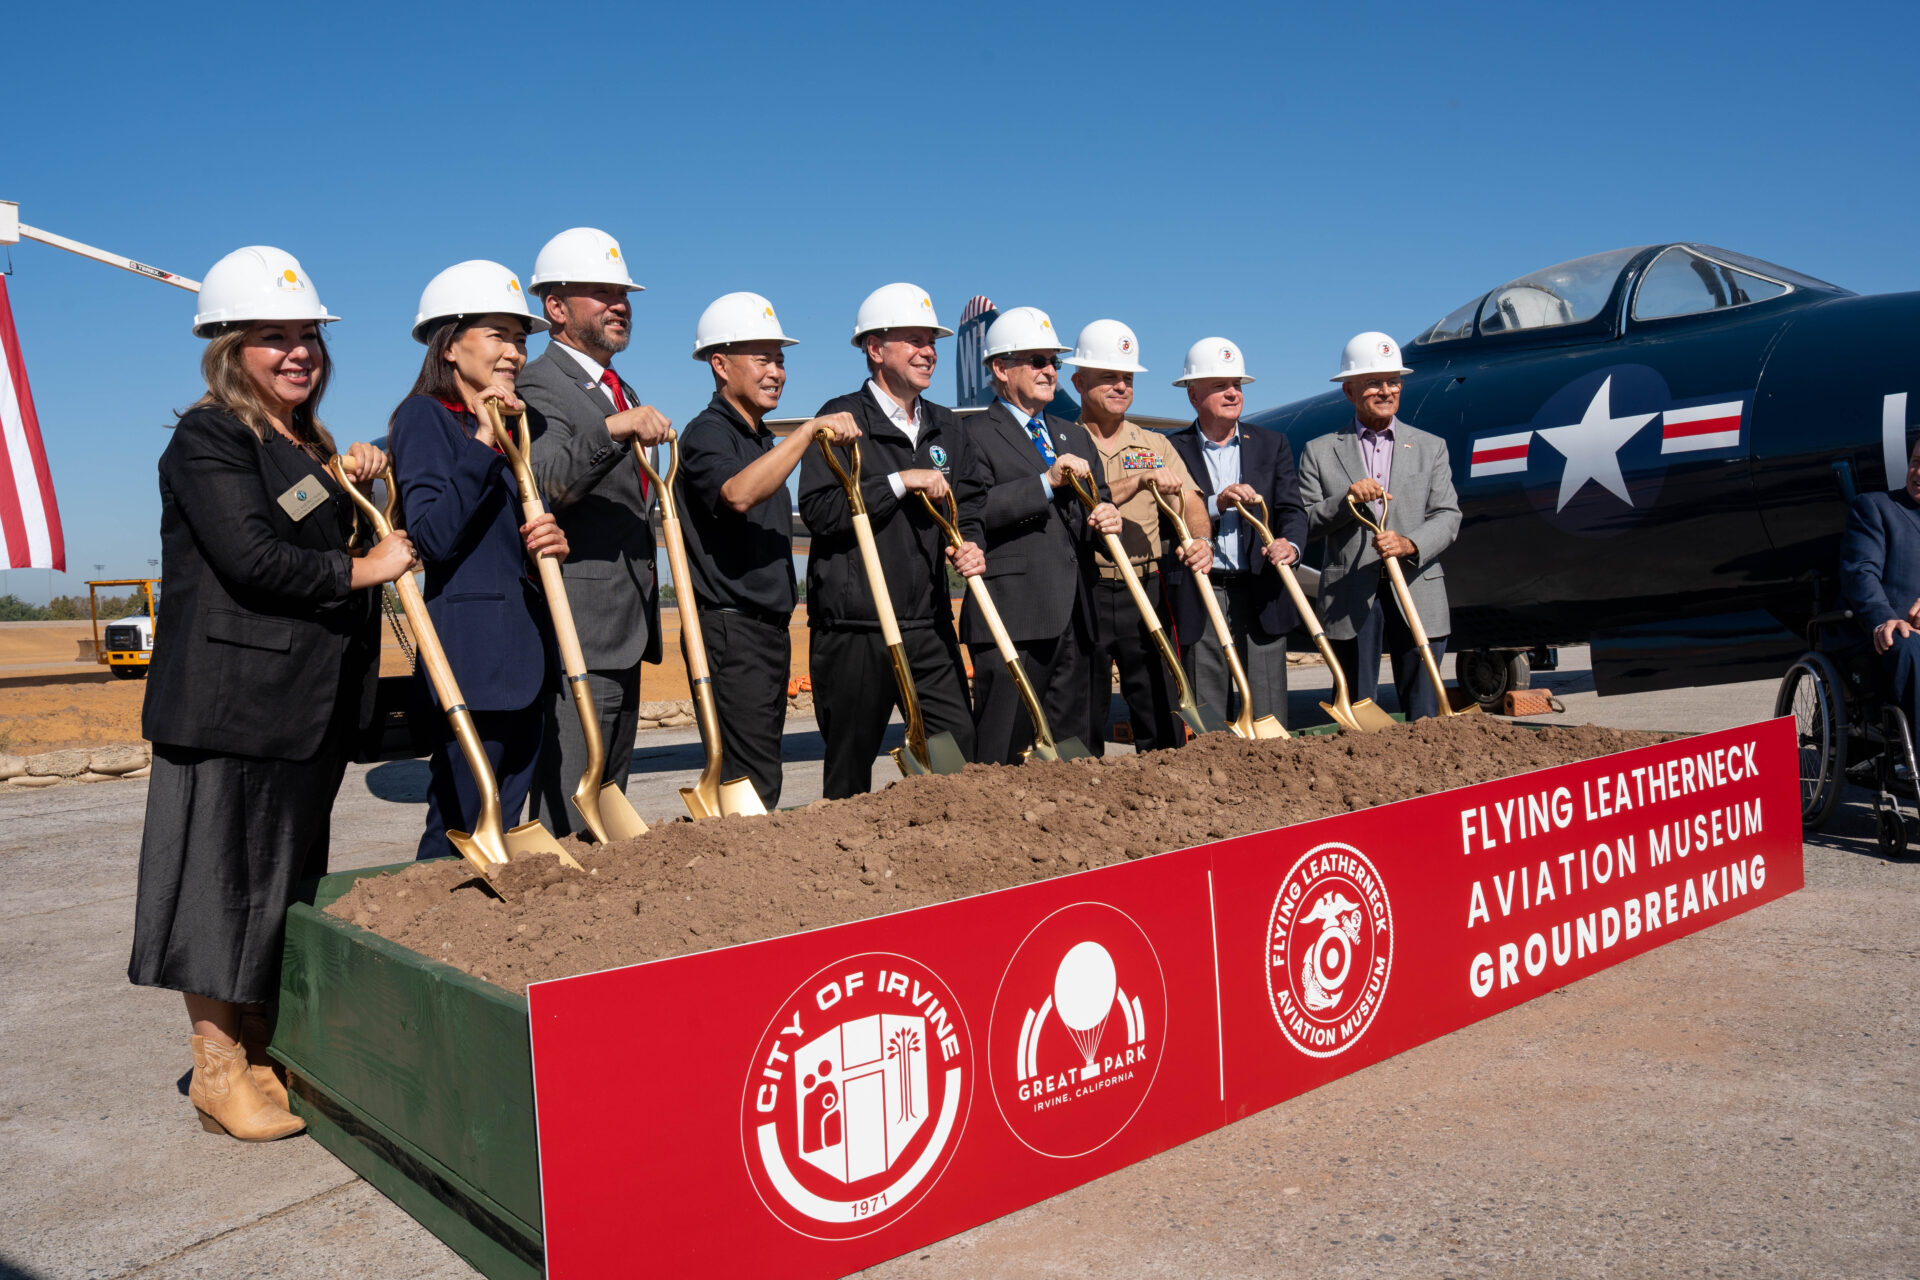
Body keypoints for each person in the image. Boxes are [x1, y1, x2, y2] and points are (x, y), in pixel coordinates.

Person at [131, 247, 415, 1141]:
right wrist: (365, 565)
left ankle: (258, 1048)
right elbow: (251, 555)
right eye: (274, 339)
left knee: (280, 883)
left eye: (308, 338)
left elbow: (296, 513)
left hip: (304, 706)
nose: (299, 353)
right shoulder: (210, 436)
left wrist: (352, 479)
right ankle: (217, 1070)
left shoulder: (302, 441)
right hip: (231, 704)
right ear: (226, 348)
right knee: (219, 886)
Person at [390, 260, 570, 860]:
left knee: (505, 820)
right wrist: (485, 442)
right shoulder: (424, 418)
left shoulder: (509, 426)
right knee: (460, 823)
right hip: (470, 659)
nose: (515, 353)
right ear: (449, 345)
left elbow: (499, 541)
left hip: (526, 655)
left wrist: (547, 541)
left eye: (520, 340)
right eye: (498, 335)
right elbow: (433, 537)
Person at [798, 284, 987, 798]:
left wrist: (971, 542)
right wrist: (901, 481)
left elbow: (968, 505)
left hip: (927, 622)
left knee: (956, 751)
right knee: (849, 769)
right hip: (855, 629)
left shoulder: (947, 426)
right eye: (914, 340)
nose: (928, 351)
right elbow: (820, 512)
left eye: (932, 341)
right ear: (875, 349)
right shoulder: (838, 420)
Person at [677, 292, 860, 808]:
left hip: (763, 631)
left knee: (757, 773)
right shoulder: (708, 434)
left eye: (780, 359)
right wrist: (805, 434)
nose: (776, 371)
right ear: (720, 364)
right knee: (750, 778)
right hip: (730, 631)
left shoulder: (756, 439)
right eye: (762, 359)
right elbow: (737, 493)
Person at [518, 228, 673, 837]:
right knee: (572, 809)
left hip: (626, 629)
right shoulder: (539, 384)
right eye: (601, 292)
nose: (619, 304)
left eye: (623, 293)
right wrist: (613, 429)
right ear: (555, 308)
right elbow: (550, 478)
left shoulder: (616, 387)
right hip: (583, 630)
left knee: (610, 809)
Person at [963, 306, 1123, 764]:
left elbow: (1100, 499)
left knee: (1074, 755)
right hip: (1014, 616)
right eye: (1037, 360)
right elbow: (969, 511)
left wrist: (1107, 516)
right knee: (1003, 752)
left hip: (1078, 616)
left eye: (1053, 361)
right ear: (1000, 368)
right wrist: (1044, 484)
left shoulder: (1073, 435)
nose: (1050, 370)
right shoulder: (970, 433)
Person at [1065, 320, 1211, 752]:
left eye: (1126, 378)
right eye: (1108, 377)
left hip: (1145, 589)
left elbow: (1193, 503)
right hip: (1084, 591)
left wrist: (1200, 540)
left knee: (1160, 708)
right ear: (1078, 381)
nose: (1120, 386)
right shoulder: (1061, 442)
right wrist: (1138, 480)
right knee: (1082, 712)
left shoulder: (1155, 444)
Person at [1298, 331, 1460, 720]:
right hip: (1349, 595)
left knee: (1425, 710)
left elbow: (1448, 514)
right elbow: (1303, 522)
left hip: (1418, 587)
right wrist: (1346, 501)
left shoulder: (1430, 446)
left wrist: (1409, 543)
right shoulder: (1319, 451)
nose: (1386, 391)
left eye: (1393, 382)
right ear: (1349, 391)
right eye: (1373, 383)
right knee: (1357, 710)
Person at [1164, 338, 1307, 730]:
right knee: (1207, 718)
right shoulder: (1169, 449)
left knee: (1268, 718)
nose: (1232, 393)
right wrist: (1215, 503)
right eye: (1219, 385)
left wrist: (1289, 545)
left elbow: (1292, 511)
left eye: (1237, 385)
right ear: (1193, 395)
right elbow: (1163, 519)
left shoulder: (1272, 444)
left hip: (1261, 593)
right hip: (1202, 593)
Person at [1841, 437, 1920, 736]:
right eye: (1916, 462)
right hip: (1884, 635)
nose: (1919, 472)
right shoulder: (1876, 508)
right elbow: (1860, 573)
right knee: (1909, 644)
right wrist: (1883, 618)